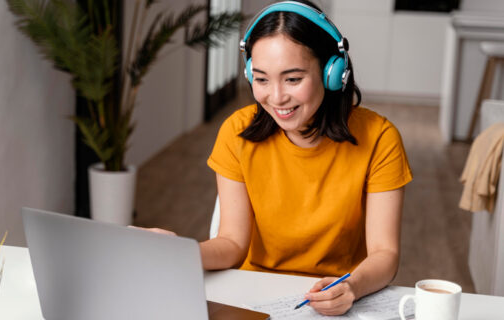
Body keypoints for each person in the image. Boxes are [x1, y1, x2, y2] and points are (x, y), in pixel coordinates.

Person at [147, 0, 412, 316]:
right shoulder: (236, 132)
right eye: (261, 79)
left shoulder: (381, 138)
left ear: (333, 72)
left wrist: (351, 287)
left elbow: (385, 254)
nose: (276, 97)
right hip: (252, 294)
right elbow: (232, 243)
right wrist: (179, 253)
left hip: (337, 295)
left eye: (293, 79)